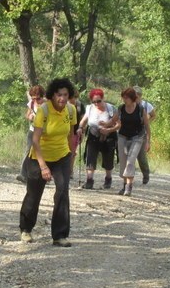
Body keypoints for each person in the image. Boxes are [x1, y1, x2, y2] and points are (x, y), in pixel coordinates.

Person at [19, 78, 79, 247]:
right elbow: (35, 141)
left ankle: (60, 235)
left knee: (62, 191)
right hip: (39, 157)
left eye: (65, 95)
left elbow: (71, 135)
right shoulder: (43, 111)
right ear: (52, 95)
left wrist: (71, 157)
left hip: (62, 156)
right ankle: (26, 229)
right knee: (33, 195)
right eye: (59, 95)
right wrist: (43, 166)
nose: (62, 98)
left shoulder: (71, 110)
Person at [77, 88, 119, 190]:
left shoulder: (111, 108)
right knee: (90, 157)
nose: (96, 103)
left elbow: (118, 124)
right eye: (94, 101)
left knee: (108, 160)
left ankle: (108, 180)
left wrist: (109, 130)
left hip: (109, 137)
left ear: (103, 98)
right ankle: (89, 181)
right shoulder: (90, 108)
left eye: (98, 101)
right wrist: (80, 128)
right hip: (93, 136)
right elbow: (83, 121)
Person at [116, 86, 151, 197]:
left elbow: (147, 126)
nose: (124, 100)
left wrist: (148, 142)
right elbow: (114, 120)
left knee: (131, 161)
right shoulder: (121, 108)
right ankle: (124, 184)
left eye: (126, 98)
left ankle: (128, 187)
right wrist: (106, 127)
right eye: (123, 97)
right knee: (123, 161)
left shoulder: (141, 109)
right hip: (123, 136)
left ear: (132, 98)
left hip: (137, 137)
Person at [17, 84, 45, 183]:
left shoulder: (47, 104)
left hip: (44, 133)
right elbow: (27, 114)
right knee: (28, 151)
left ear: (42, 96)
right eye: (33, 98)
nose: (36, 100)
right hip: (33, 130)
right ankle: (23, 174)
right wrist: (30, 117)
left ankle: (43, 174)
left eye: (38, 98)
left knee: (42, 152)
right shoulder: (32, 103)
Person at [133, 85, 156, 184]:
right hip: (130, 132)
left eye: (137, 95)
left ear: (140, 95)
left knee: (141, 156)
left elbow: (154, 115)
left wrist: (147, 122)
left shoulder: (147, 105)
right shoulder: (129, 104)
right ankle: (130, 177)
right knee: (130, 155)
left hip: (142, 133)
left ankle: (146, 173)